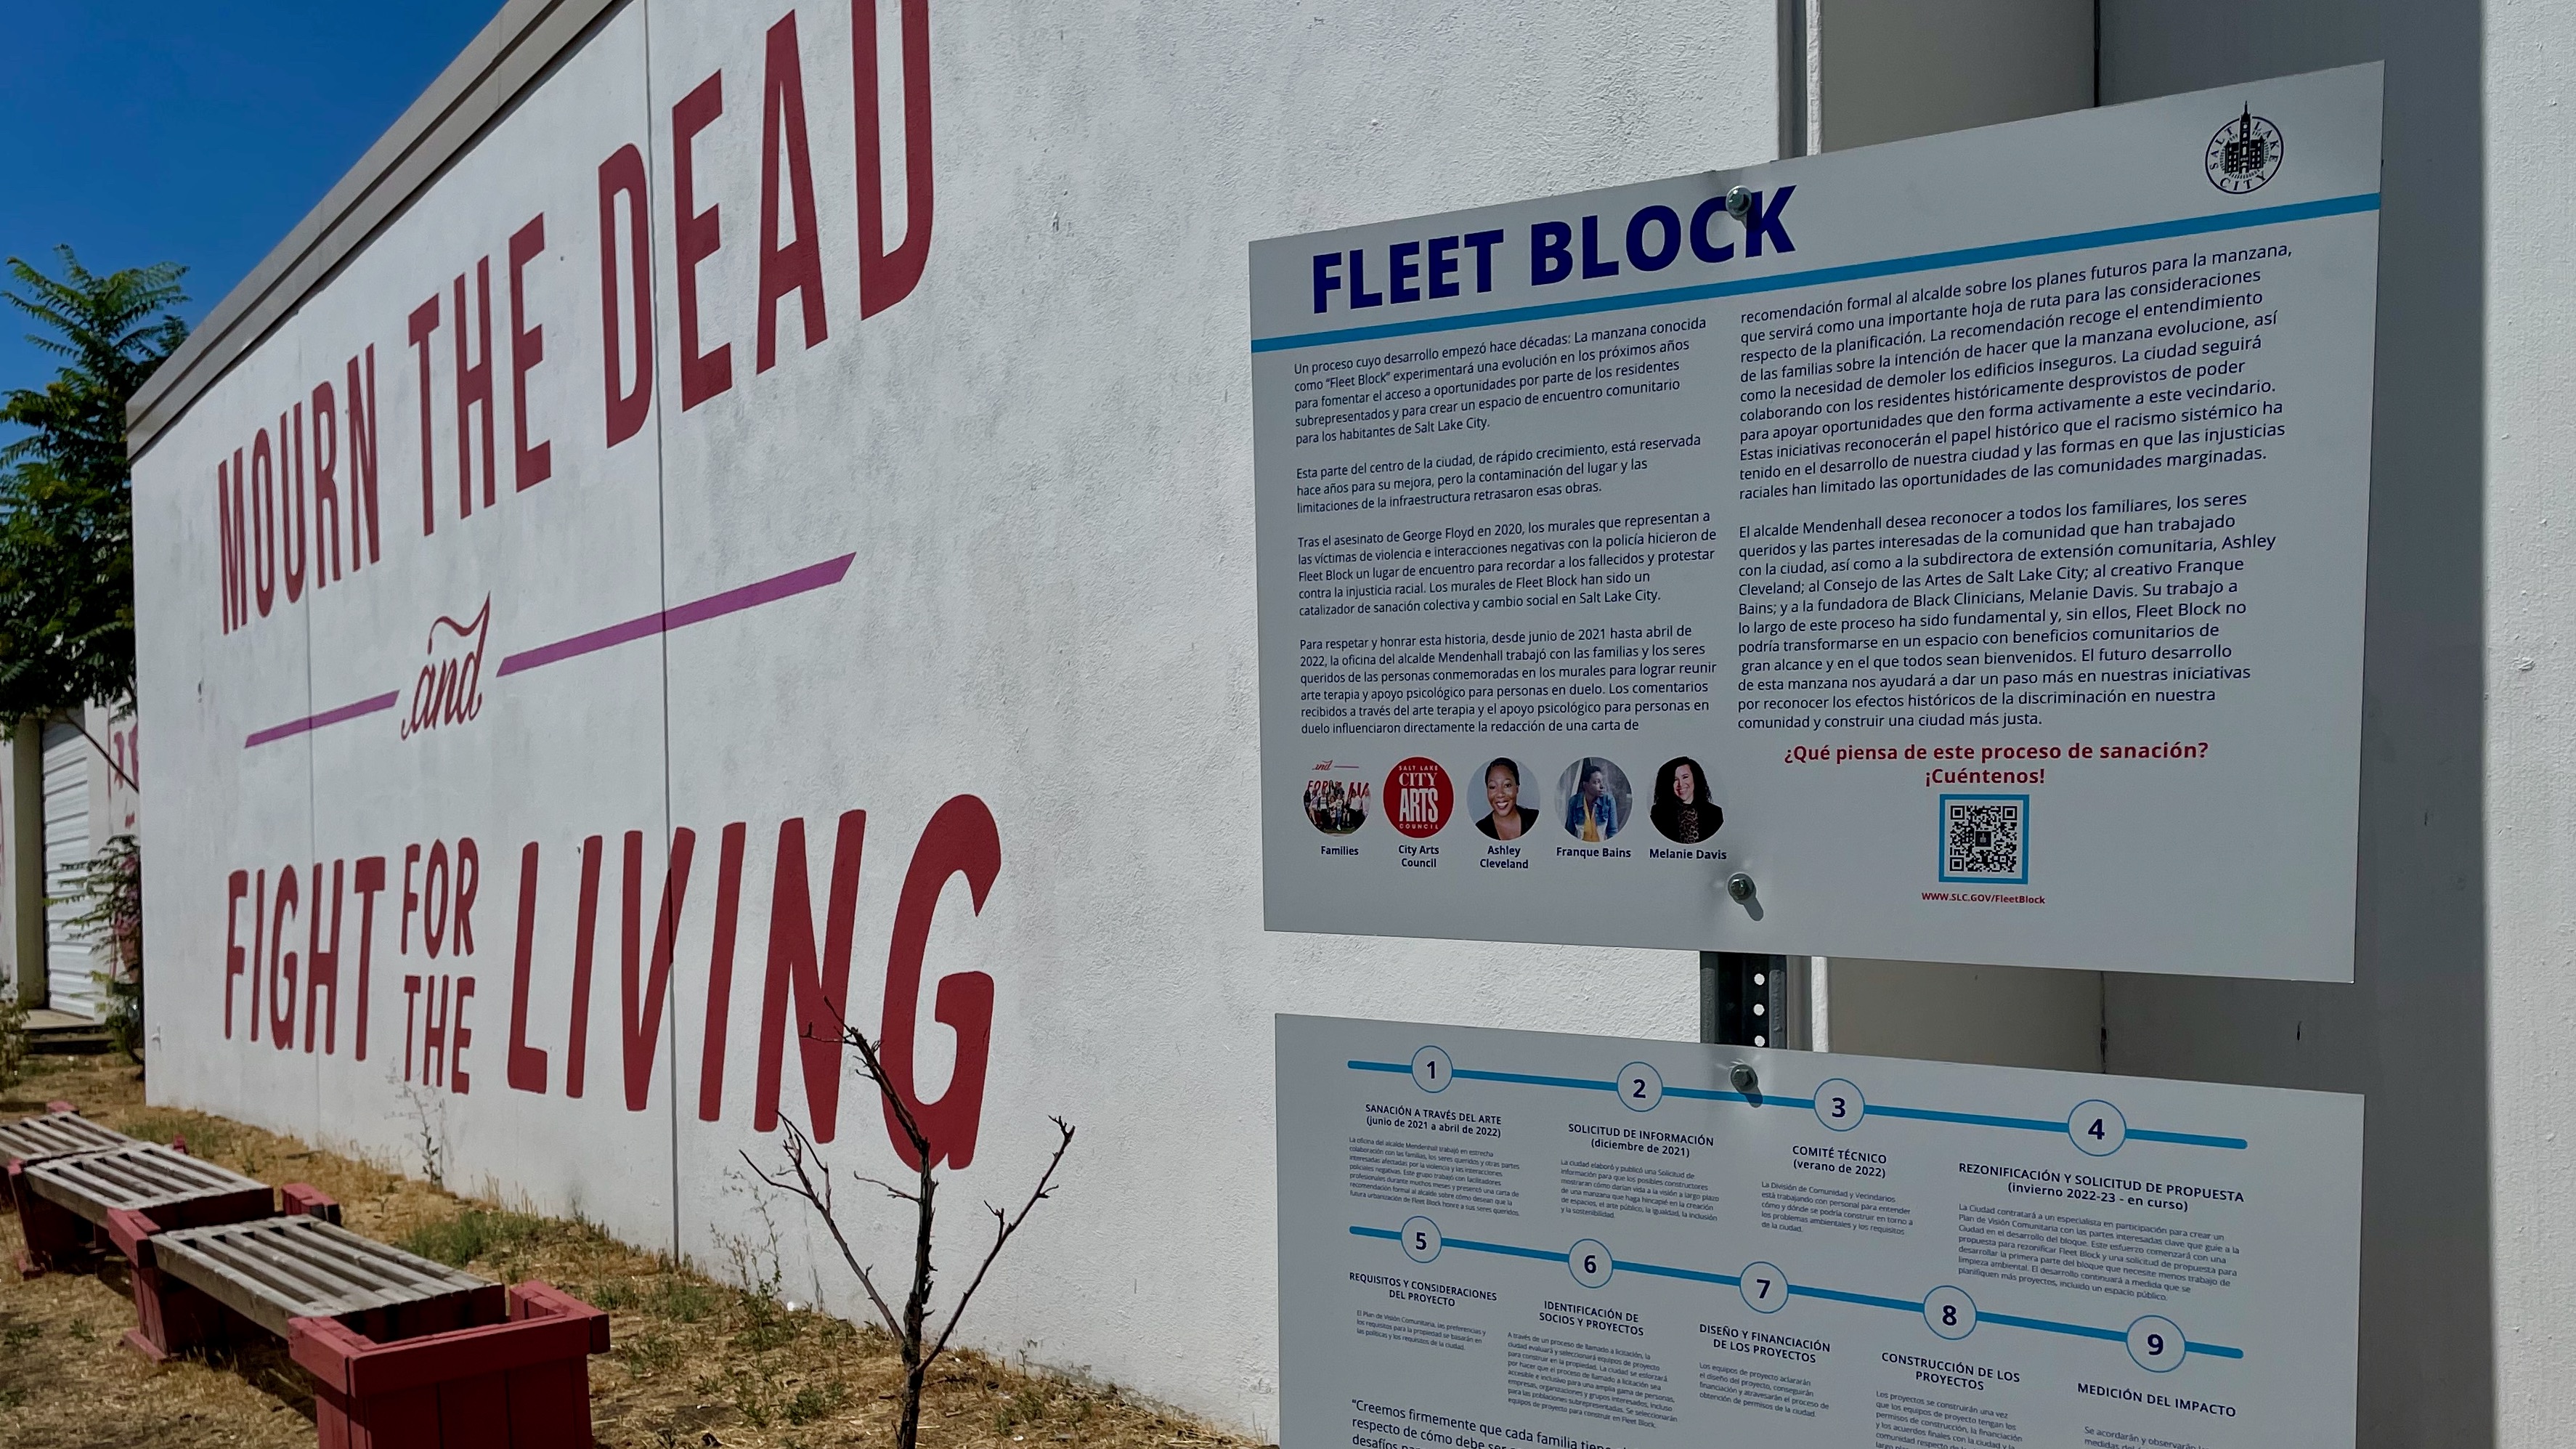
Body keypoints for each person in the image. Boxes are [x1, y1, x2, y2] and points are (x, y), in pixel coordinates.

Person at [1650, 757, 1723, 843]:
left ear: (1695, 778)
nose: (1681, 784)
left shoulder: (1715, 813)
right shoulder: (1659, 813)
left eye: (1685, 777)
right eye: (1675, 780)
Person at [1474, 759, 1540, 840]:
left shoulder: (1536, 819)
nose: (1500, 794)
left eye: (1507, 785)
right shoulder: (1480, 830)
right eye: (1492, 787)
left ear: (1517, 788)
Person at [1565, 760, 1620, 840]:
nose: (1601, 786)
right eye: (1596, 782)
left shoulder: (1608, 800)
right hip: (1580, 850)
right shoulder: (1574, 802)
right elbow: (1569, 832)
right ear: (1585, 785)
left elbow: (1613, 832)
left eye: (1602, 781)